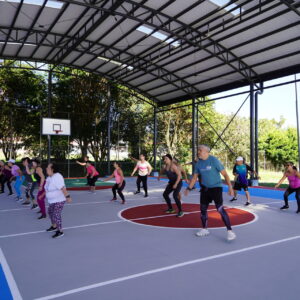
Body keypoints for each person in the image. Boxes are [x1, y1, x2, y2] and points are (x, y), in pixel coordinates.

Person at [184, 145, 236, 241]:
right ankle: (204, 229)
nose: (198, 152)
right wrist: (188, 188)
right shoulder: (198, 164)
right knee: (203, 209)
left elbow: (225, 174)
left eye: (200, 150)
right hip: (205, 189)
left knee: (220, 209)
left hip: (216, 188)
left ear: (206, 152)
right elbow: (195, 178)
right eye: (198, 150)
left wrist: (230, 187)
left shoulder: (214, 160)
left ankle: (230, 231)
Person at [45, 163, 72, 238]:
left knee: (56, 214)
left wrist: (68, 196)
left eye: (47, 167)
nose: (46, 168)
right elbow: (47, 188)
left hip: (59, 199)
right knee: (50, 212)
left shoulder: (57, 177)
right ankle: (54, 226)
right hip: (52, 200)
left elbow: (63, 188)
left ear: (52, 169)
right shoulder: (49, 177)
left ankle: (60, 231)